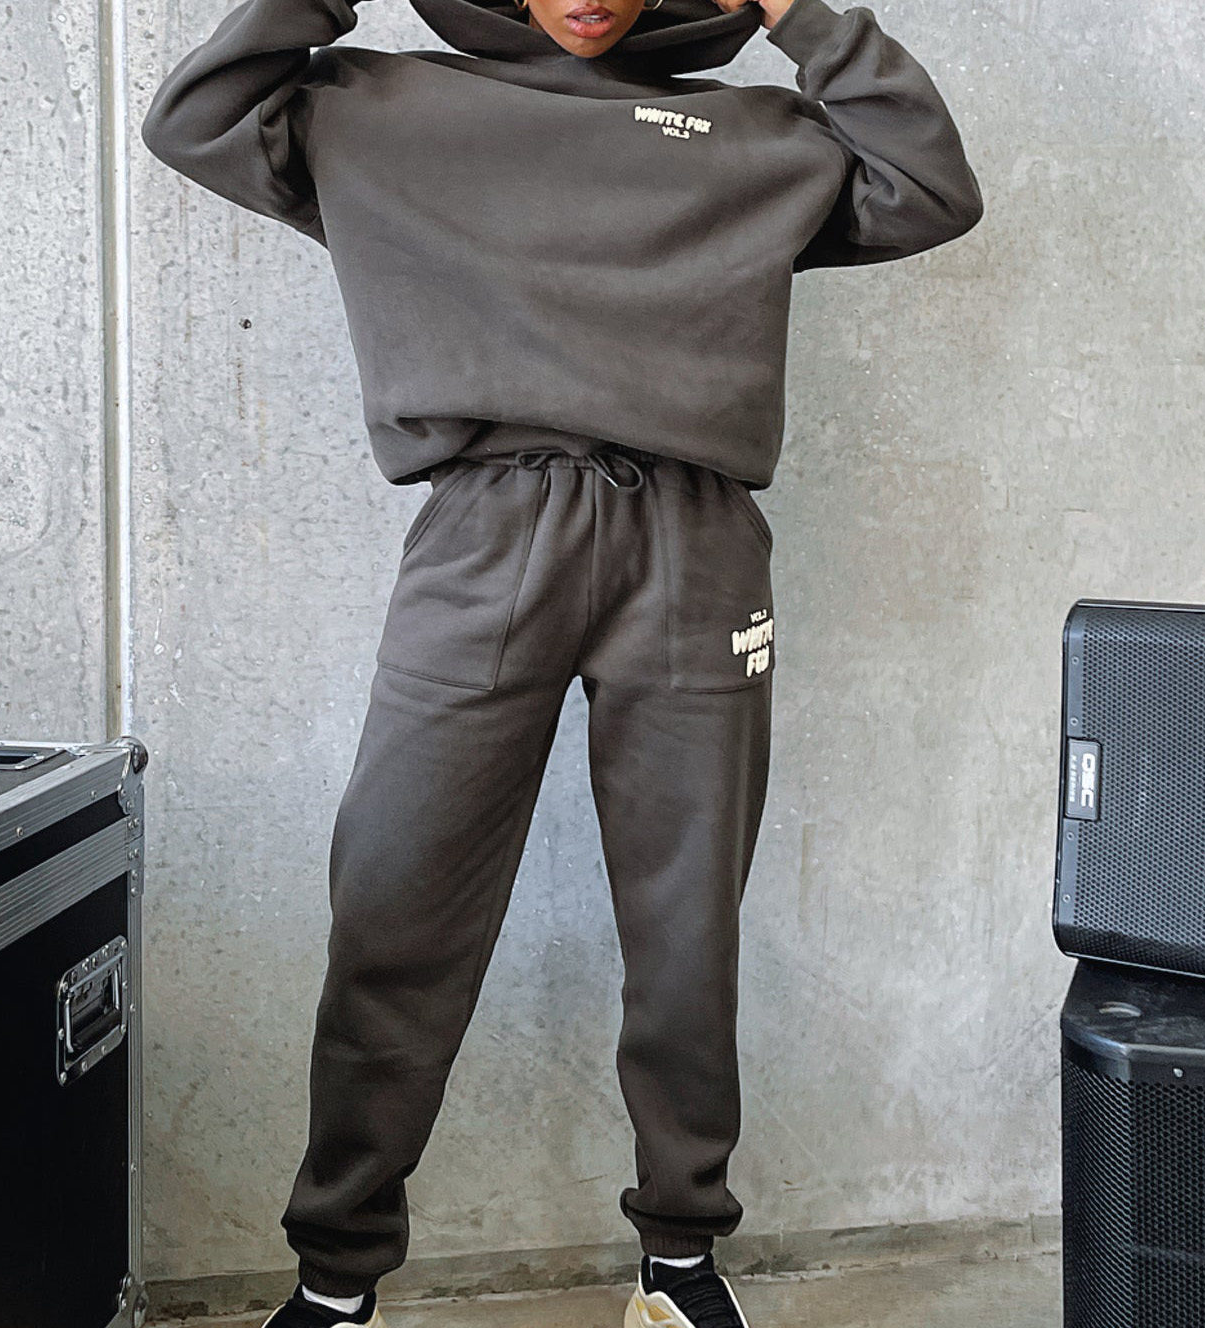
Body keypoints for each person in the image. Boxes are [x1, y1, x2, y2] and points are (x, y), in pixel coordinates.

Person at [140, 0, 982, 1317]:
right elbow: (194, 119)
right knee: (396, 903)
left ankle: (681, 1261)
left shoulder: (748, 135)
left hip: (695, 544)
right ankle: (338, 1276)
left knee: (686, 923)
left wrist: (800, 15)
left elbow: (930, 185)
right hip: (486, 533)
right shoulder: (383, 113)